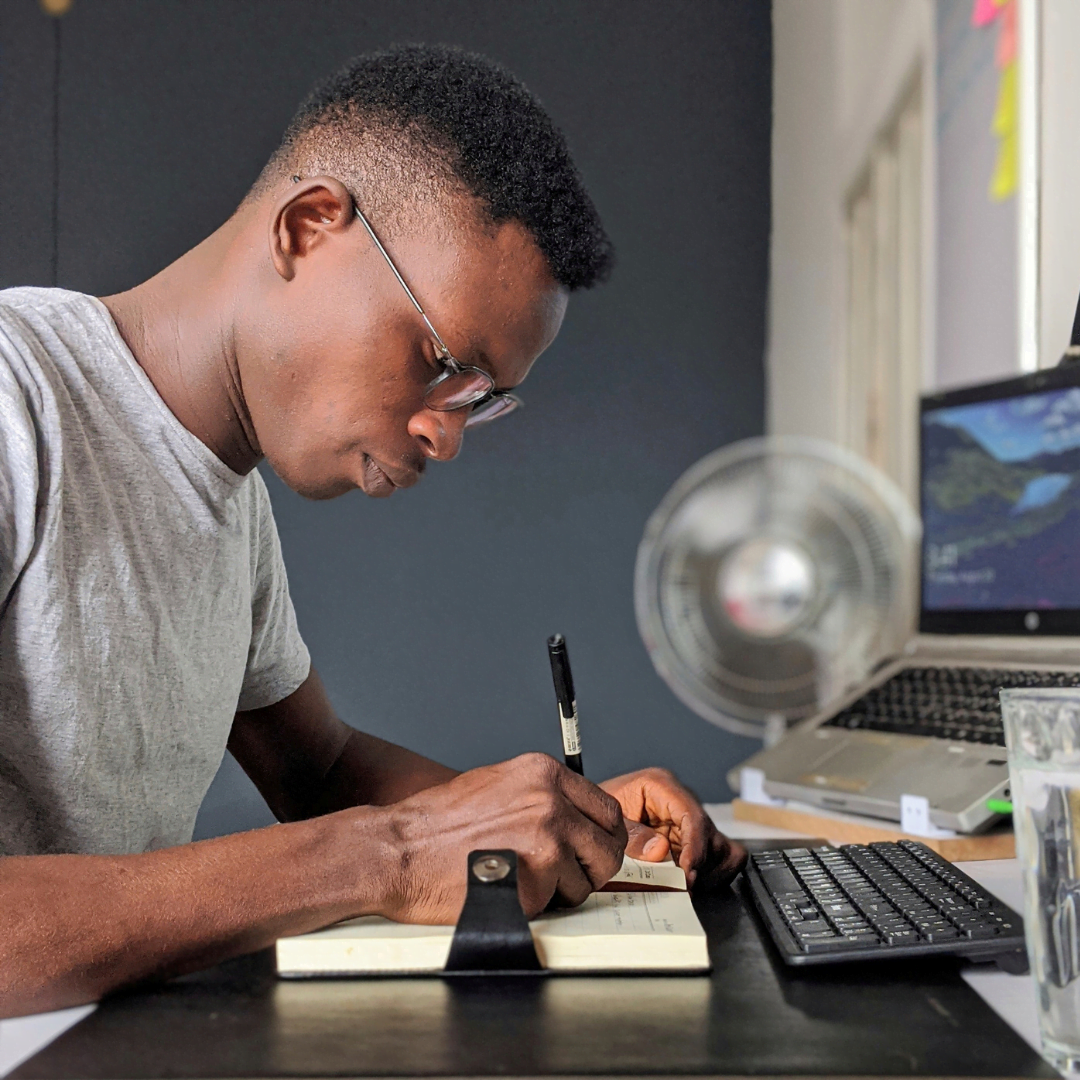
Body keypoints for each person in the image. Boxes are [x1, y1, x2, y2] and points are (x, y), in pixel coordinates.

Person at [0, 44, 745, 1018]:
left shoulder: (229, 502)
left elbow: (323, 770)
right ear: (309, 229)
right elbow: (359, 834)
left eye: (482, 401)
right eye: (442, 361)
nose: (446, 433)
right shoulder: (20, 406)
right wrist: (386, 857)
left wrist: (565, 821)